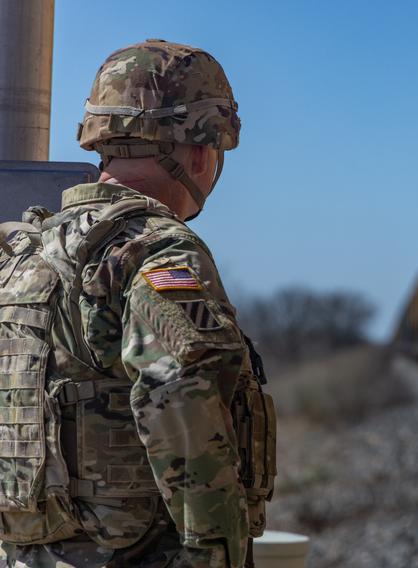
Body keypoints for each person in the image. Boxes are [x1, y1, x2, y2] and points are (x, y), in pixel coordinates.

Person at [0, 40, 276, 567]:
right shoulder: (155, 250)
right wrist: (215, 554)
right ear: (200, 150)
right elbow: (181, 396)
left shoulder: (24, 257)